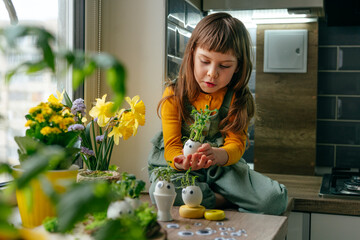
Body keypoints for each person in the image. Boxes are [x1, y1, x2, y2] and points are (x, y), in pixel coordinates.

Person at [148, 12, 287, 215]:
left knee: (274, 200)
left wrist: (217, 155)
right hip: (180, 170)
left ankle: (200, 196)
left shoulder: (238, 99)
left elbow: (236, 145)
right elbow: (171, 147)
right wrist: (182, 160)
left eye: (224, 66)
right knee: (159, 191)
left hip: (222, 167)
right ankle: (221, 199)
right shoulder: (174, 94)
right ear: (192, 54)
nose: (212, 73)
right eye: (205, 61)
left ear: (238, 66)